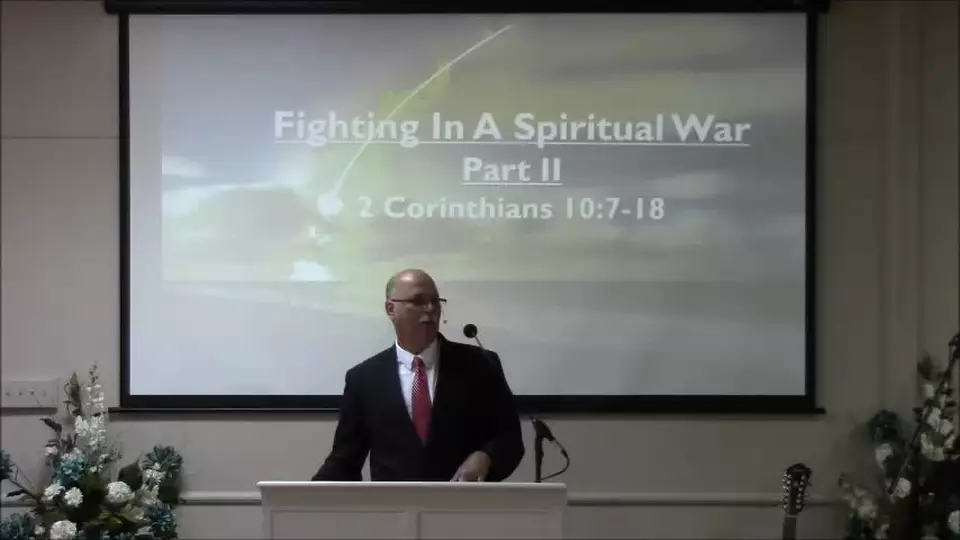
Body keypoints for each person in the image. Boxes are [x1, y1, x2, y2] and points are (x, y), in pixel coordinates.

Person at [312, 269, 525, 482]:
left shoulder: (480, 364)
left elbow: (509, 440)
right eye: (418, 301)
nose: (430, 308)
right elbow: (345, 459)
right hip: (394, 502)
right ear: (391, 309)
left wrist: (486, 457)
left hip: (464, 499)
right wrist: (306, 494)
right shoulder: (364, 378)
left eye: (435, 301)